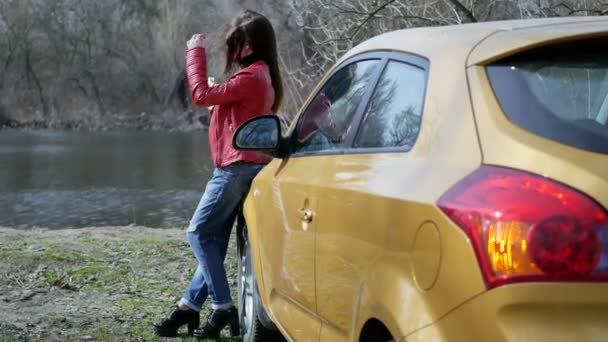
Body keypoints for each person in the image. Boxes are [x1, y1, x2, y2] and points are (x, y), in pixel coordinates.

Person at [153, 9, 283, 339]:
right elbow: (237, 114)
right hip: (244, 166)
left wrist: (194, 52)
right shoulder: (261, 75)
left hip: (234, 169)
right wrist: (218, 104)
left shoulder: (250, 77)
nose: (228, 50)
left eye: (233, 44)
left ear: (249, 45)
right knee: (214, 239)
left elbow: (198, 95)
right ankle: (188, 309)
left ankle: (223, 308)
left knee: (198, 234)